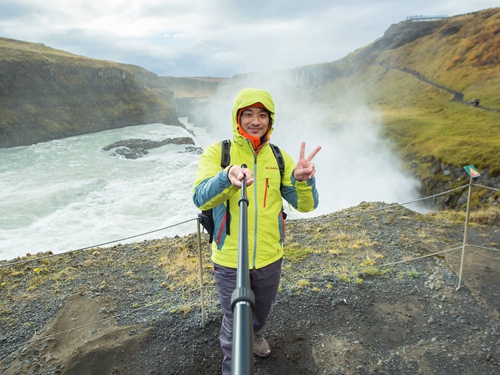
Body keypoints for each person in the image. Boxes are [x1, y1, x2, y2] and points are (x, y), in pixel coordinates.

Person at [192, 88, 320, 374]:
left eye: (262, 114)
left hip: (269, 256)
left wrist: (303, 180)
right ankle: (234, 365)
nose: (255, 120)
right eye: (248, 113)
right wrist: (226, 177)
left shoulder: (279, 157)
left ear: (270, 120)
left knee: (259, 312)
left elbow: (305, 205)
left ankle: (256, 332)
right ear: (237, 117)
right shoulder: (219, 152)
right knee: (235, 320)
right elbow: (200, 196)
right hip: (229, 258)